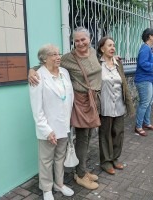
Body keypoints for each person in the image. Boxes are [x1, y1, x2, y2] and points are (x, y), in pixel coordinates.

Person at [28, 27, 101, 190]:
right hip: (81, 103)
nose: (80, 43)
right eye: (77, 40)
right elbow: (43, 62)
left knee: (88, 137)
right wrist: (31, 70)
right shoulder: (68, 58)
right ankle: (79, 174)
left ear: (89, 39)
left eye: (83, 39)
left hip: (93, 101)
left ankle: (78, 172)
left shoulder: (93, 52)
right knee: (81, 138)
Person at [29, 44, 74, 200]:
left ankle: (59, 184)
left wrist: (68, 122)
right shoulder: (37, 77)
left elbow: (69, 98)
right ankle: (46, 188)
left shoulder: (64, 73)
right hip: (48, 126)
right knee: (46, 159)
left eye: (58, 53)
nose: (58, 57)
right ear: (44, 58)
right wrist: (46, 130)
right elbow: (37, 108)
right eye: (53, 54)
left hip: (63, 124)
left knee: (59, 157)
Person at [96, 36, 134, 175]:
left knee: (118, 133)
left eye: (113, 45)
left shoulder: (118, 63)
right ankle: (106, 162)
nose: (113, 48)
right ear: (102, 48)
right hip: (105, 105)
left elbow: (123, 82)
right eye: (109, 45)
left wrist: (128, 103)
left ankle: (115, 158)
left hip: (119, 104)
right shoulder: (97, 64)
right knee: (105, 134)